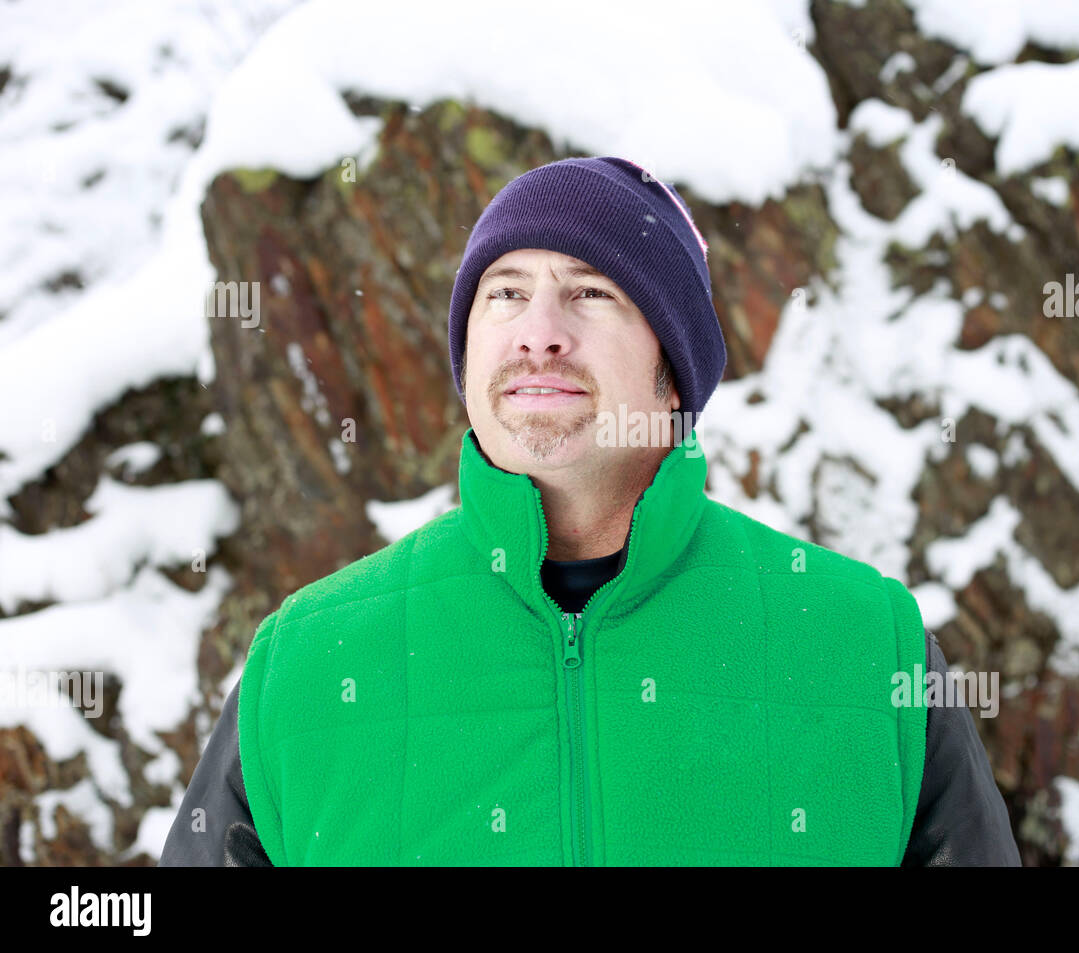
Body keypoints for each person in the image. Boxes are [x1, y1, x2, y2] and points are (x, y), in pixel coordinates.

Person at [160, 156, 1020, 866]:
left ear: (673, 371)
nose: (539, 331)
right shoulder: (305, 664)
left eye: (591, 293)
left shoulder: (867, 648)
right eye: (505, 293)